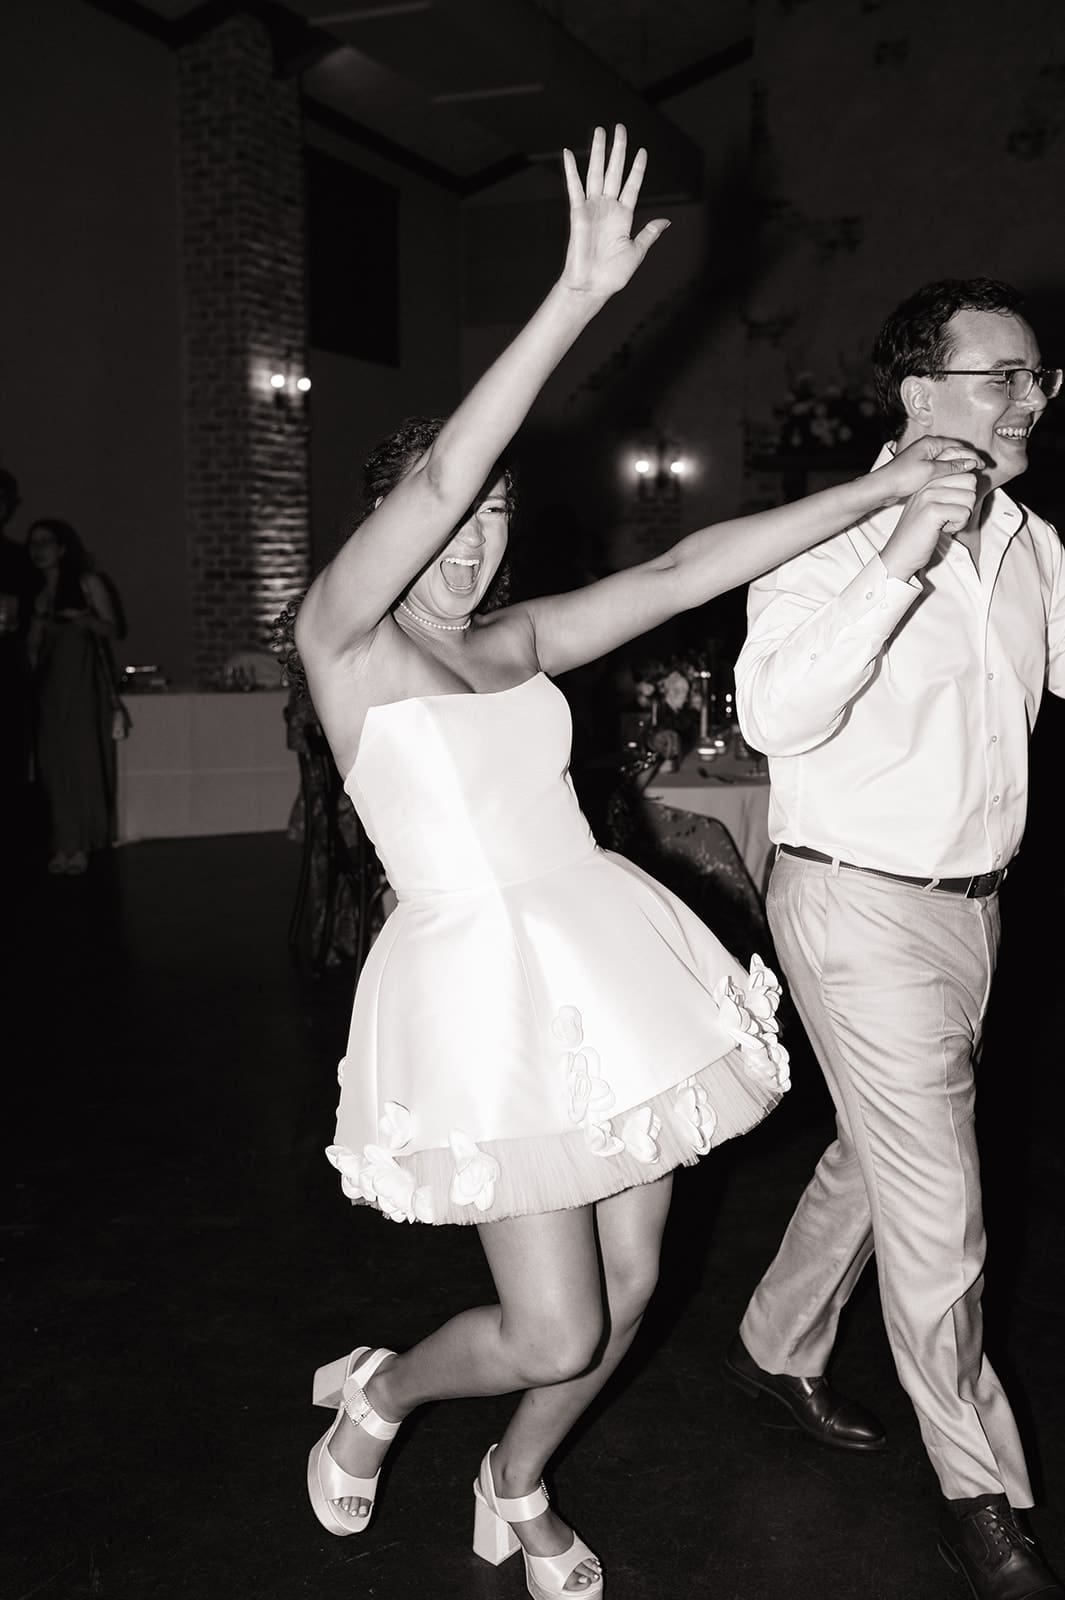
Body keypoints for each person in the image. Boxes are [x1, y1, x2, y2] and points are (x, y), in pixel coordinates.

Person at [288, 128, 978, 1597]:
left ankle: (512, 1484)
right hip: (480, 993)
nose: (472, 546)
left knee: (634, 1293)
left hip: (604, 968)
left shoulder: (511, 640)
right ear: (386, 522)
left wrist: (874, 493)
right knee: (555, 1331)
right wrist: (577, 295)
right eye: (448, 518)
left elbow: (681, 572)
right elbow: (439, 478)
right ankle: (385, 1396)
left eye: (493, 523)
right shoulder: (343, 640)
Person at [728, 278, 1064, 1600]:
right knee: (943, 1213)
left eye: (1039, 377)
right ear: (917, 392)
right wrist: (899, 556)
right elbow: (775, 717)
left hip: (975, 910)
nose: (1029, 399)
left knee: (880, 1153)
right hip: (852, 902)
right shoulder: (825, 539)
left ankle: (773, 1336)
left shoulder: (1035, 548)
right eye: (1001, 376)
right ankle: (979, 1494)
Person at [27, 519, 122, 874]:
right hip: (51, 685)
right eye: (33, 543)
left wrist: (82, 618)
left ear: (63, 547)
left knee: (81, 760)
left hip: (82, 682)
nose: (38, 549)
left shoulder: (87, 583)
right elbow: (34, 647)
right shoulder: (38, 592)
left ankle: (81, 842)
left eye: (45, 542)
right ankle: (64, 841)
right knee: (54, 762)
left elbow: (113, 629)